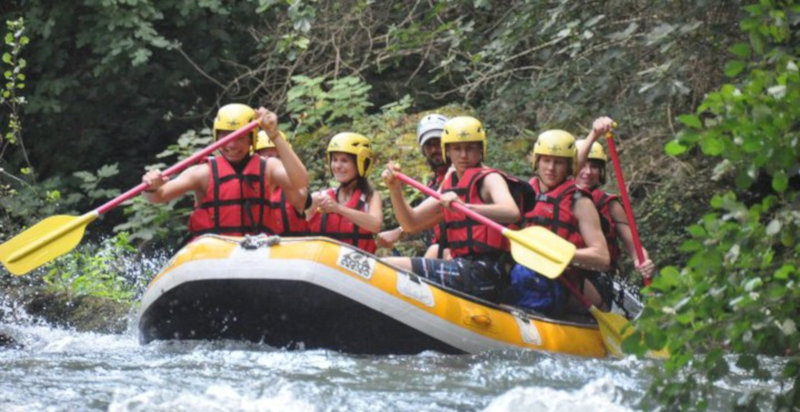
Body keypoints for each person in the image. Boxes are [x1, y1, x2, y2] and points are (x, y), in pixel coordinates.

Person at [381, 116, 520, 302]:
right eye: (457, 148)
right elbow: (411, 223)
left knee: (387, 266)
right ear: (448, 151)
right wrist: (394, 188)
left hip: (487, 272)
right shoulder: (450, 182)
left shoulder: (489, 178)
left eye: (470, 148)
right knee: (386, 266)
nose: (463, 155)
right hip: (461, 265)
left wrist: (467, 207)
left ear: (481, 149)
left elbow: (512, 211)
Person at [141, 103, 309, 239]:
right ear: (217, 137)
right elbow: (158, 196)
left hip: (256, 253)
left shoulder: (268, 167)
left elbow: (300, 182)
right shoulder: (202, 173)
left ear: (252, 139)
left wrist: (274, 135)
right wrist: (151, 186)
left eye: (240, 137)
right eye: (226, 136)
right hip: (215, 254)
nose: (232, 145)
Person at [504, 122, 611, 314]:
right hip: (526, 272)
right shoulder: (525, 192)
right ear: (537, 162)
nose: (551, 168)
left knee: (524, 274)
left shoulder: (580, 202)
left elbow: (602, 258)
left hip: (564, 280)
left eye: (559, 162)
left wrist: (559, 254)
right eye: (546, 160)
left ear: (569, 165)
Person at [575, 122, 655, 282]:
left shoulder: (609, 203)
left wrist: (642, 260)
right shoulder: (555, 198)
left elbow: (635, 248)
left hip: (599, 277)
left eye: (594, 167)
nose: (588, 172)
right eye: (583, 165)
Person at [376, 113, 449, 253]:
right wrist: (399, 231)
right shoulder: (433, 183)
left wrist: (400, 231)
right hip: (438, 252)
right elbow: (422, 218)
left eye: (438, 143)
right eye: (429, 145)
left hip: (451, 254)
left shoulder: (456, 177)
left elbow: (416, 222)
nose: (434, 150)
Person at [306, 133, 383, 253]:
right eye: (334, 160)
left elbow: (376, 225)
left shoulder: (371, 197)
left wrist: (338, 209)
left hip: (358, 266)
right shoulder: (318, 198)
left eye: (344, 161)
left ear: (361, 164)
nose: (337, 166)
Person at [255, 130, 310, 236]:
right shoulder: (248, 186)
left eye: (279, 157)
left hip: (290, 249)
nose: (276, 162)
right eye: (270, 157)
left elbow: (300, 195)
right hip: (259, 248)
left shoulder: (296, 189)